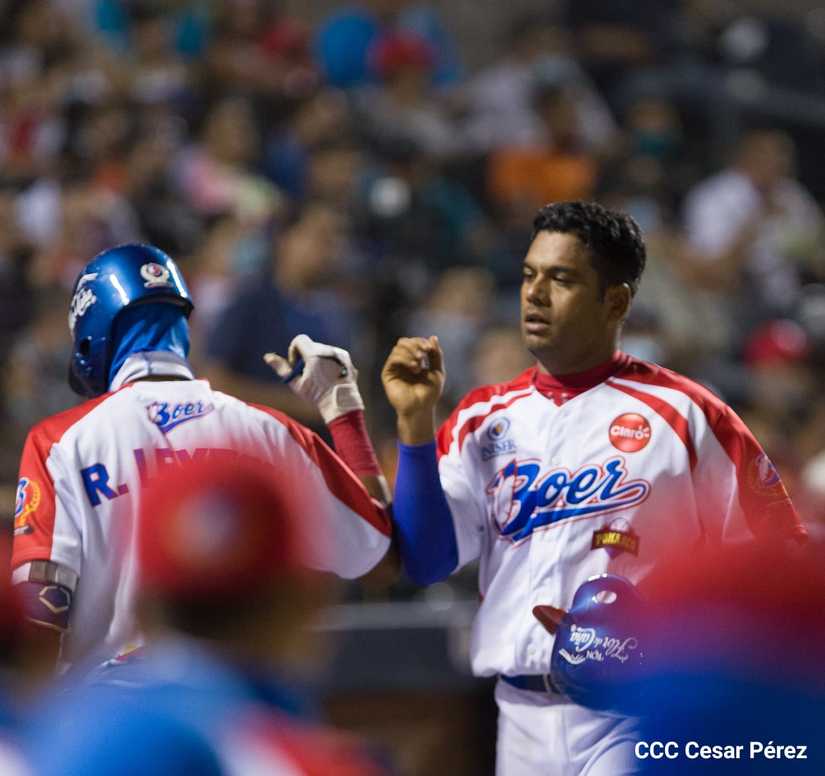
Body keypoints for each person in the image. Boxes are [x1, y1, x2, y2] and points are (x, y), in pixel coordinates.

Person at [381, 201, 806, 775]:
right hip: (518, 713)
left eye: (561, 279)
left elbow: (779, 558)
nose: (534, 294)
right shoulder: (483, 417)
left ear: (617, 302)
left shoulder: (687, 415)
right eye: (529, 275)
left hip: (632, 715)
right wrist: (414, 423)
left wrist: (682, 636)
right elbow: (428, 559)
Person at [11, 242, 392, 673]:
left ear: (90, 335)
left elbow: (41, 610)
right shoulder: (272, 429)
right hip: (242, 697)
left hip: (112, 700)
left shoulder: (60, 442)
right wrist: (344, 415)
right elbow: (375, 551)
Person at [24, 458, 387, 776]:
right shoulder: (330, 763)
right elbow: (380, 550)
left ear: (140, 607)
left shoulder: (45, 744)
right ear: (306, 601)